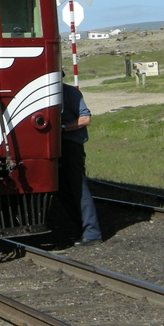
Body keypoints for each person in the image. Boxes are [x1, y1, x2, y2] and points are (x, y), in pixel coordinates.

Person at [59, 82, 102, 246]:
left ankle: (92, 233)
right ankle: (83, 229)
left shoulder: (70, 92)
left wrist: (61, 128)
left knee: (78, 187)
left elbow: (85, 118)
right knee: (63, 189)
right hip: (59, 145)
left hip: (71, 145)